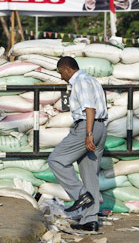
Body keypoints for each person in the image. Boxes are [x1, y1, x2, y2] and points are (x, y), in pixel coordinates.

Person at [48, 56, 108, 232]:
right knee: (90, 174)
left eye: (61, 73)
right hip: (100, 127)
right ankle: (90, 220)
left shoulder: (80, 81)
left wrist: (88, 133)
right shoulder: (91, 79)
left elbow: (90, 108)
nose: (61, 77)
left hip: (87, 127)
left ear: (67, 69)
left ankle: (80, 195)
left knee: (56, 160)